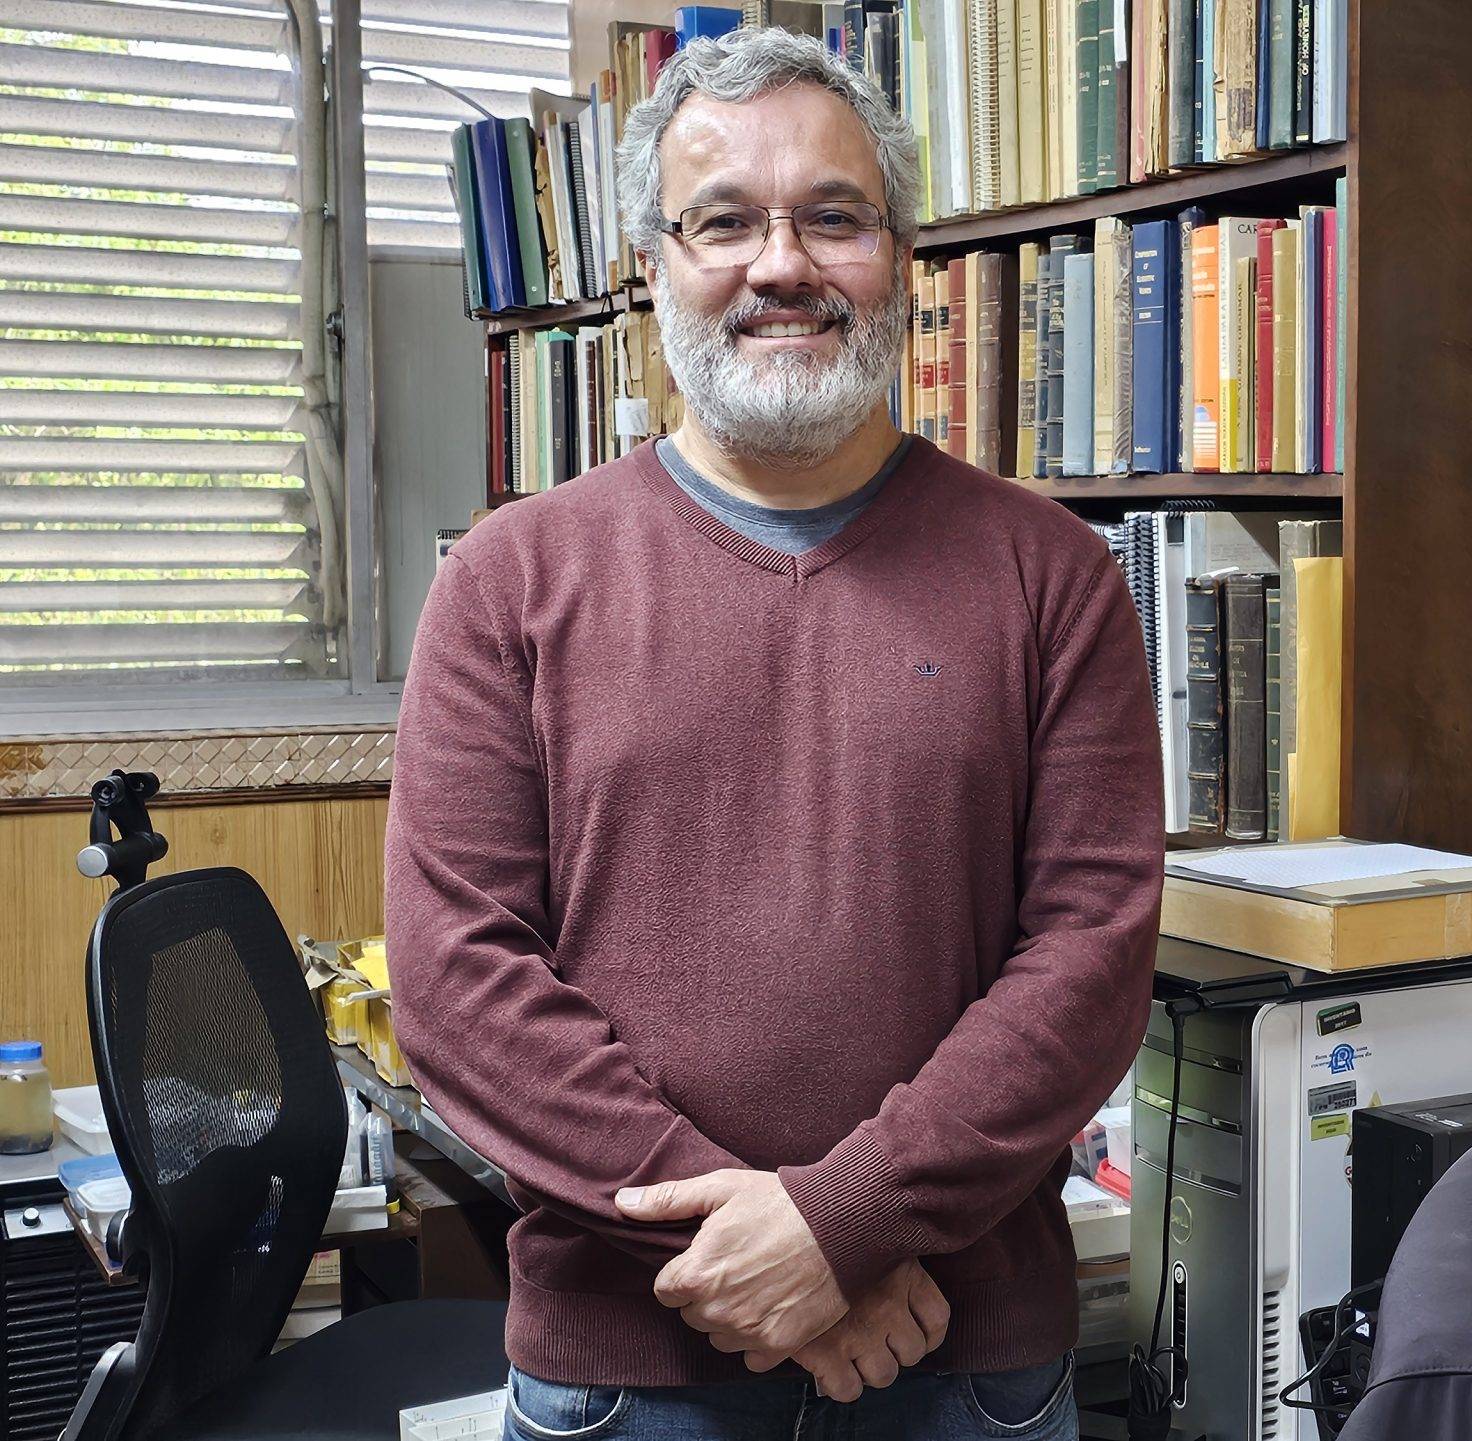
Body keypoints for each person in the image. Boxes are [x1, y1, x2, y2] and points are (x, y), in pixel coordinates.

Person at [383, 27, 1163, 1441]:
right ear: (652, 267)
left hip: (969, 1374)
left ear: (903, 258)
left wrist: (843, 1222)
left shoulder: (1056, 578)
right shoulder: (508, 580)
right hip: (629, 1378)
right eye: (725, 221)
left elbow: (1089, 961)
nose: (781, 264)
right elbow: (459, 984)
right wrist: (763, 1259)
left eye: (833, 217)